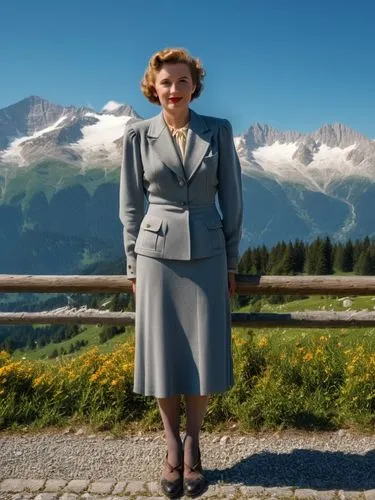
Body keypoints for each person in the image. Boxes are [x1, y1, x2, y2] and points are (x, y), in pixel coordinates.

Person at [119, 47, 243, 498]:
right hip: (154, 258)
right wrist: (132, 264)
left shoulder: (219, 131)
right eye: (166, 82)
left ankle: (195, 442)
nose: (174, 89)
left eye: (182, 81)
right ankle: (173, 445)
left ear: (195, 86)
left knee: (204, 353)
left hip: (210, 254)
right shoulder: (137, 135)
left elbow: (232, 200)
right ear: (153, 87)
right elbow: (131, 207)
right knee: (163, 353)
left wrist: (231, 261)